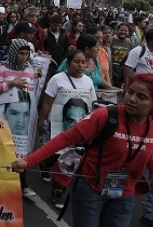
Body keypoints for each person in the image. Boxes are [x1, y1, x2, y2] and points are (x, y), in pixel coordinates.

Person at [10, 73, 153, 227]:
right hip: (91, 189)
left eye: (141, 97)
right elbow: (65, 138)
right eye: (130, 92)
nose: (132, 99)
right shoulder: (106, 116)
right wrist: (28, 161)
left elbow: (139, 146)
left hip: (124, 193)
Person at [37, 49, 97, 207]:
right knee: (58, 154)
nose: (80, 65)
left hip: (81, 129)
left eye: (83, 62)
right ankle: (46, 162)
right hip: (58, 125)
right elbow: (47, 102)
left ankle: (57, 192)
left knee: (71, 159)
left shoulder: (88, 82)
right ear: (68, 63)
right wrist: (41, 121)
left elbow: (92, 105)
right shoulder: (57, 79)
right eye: (77, 62)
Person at [0, 38, 36, 197]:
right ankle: (0, 182)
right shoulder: (2, 68)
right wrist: (11, 84)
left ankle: (22, 185)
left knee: (21, 150)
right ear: (13, 53)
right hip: (5, 114)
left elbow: (31, 91)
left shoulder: (29, 69)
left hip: (23, 117)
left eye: (26, 54)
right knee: (3, 147)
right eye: (21, 53)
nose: (24, 57)